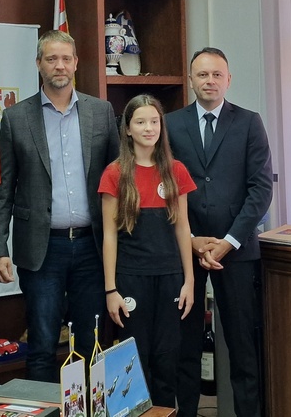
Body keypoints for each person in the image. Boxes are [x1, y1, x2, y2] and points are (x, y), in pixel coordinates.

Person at [0, 30, 120, 383]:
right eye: (51, 59)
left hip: (92, 247)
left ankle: (89, 406)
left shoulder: (101, 112)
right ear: (38, 64)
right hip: (42, 248)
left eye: (65, 58)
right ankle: (44, 407)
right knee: (43, 344)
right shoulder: (16, 118)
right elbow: (3, 190)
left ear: (76, 63)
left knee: (91, 342)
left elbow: (119, 181)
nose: (59, 66)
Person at [165, 47, 273, 417]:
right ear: (190, 79)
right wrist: (190, 240)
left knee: (243, 346)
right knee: (186, 345)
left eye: (216, 75)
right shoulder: (170, 124)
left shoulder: (249, 122)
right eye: (202, 74)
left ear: (228, 80)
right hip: (186, 250)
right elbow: (163, 188)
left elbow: (261, 190)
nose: (209, 81)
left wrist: (229, 241)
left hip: (237, 252)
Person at [99, 94, 195, 407]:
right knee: (135, 364)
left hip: (170, 279)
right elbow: (109, 236)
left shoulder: (176, 171)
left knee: (167, 361)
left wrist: (189, 281)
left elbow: (182, 228)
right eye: (140, 122)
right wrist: (111, 289)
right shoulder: (114, 173)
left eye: (154, 121)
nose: (149, 128)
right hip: (131, 279)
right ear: (127, 129)